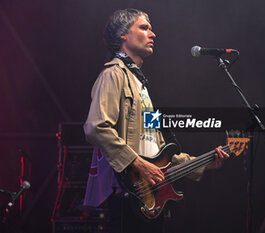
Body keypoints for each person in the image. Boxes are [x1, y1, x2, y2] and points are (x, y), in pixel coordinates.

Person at [83, 8, 229, 233]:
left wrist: (205, 162)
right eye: (144, 27)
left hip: (150, 198)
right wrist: (139, 164)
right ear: (123, 35)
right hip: (127, 194)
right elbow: (96, 127)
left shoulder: (142, 86)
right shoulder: (113, 74)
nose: (153, 34)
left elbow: (161, 151)